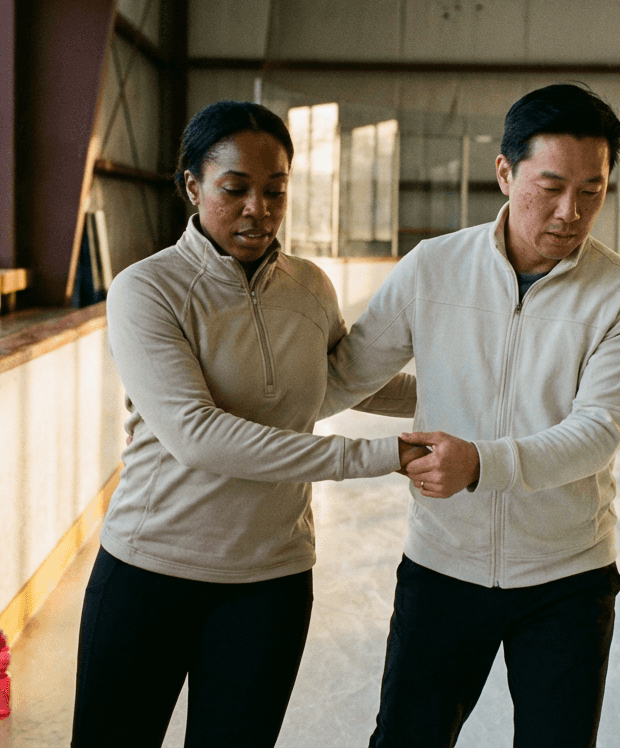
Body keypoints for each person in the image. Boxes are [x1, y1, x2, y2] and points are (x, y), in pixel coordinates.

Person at [73, 100, 424, 747]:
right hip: (150, 573)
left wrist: (473, 398)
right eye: (235, 189)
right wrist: (381, 456)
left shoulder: (310, 287)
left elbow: (342, 381)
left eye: (275, 190)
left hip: (270, 583)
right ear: (193, 186)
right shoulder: (147, 290)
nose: (258, 209)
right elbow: (197, 435)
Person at [322, 84, 620, 747]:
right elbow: (344, 377)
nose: (570, 212)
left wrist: (480, 462)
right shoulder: (433, 268)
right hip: (443, 565)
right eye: (551, 187)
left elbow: (597, 431)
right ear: (505, 173)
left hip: (568, 577)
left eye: (592, 191)